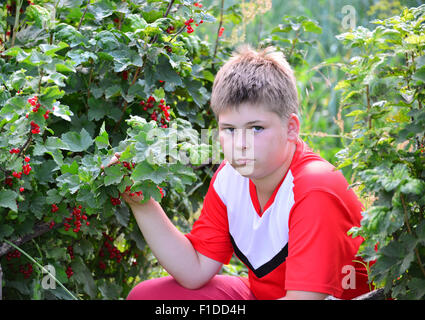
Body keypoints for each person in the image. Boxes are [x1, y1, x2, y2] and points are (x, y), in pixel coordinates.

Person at [116, 44, 371, 300]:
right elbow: (194, 270)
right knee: (148, 297)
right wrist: (142, 203)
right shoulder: (230, 177)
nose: (241, 143)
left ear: (291, 128)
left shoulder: (315, 187)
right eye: (229, 129)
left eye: (256, 128)